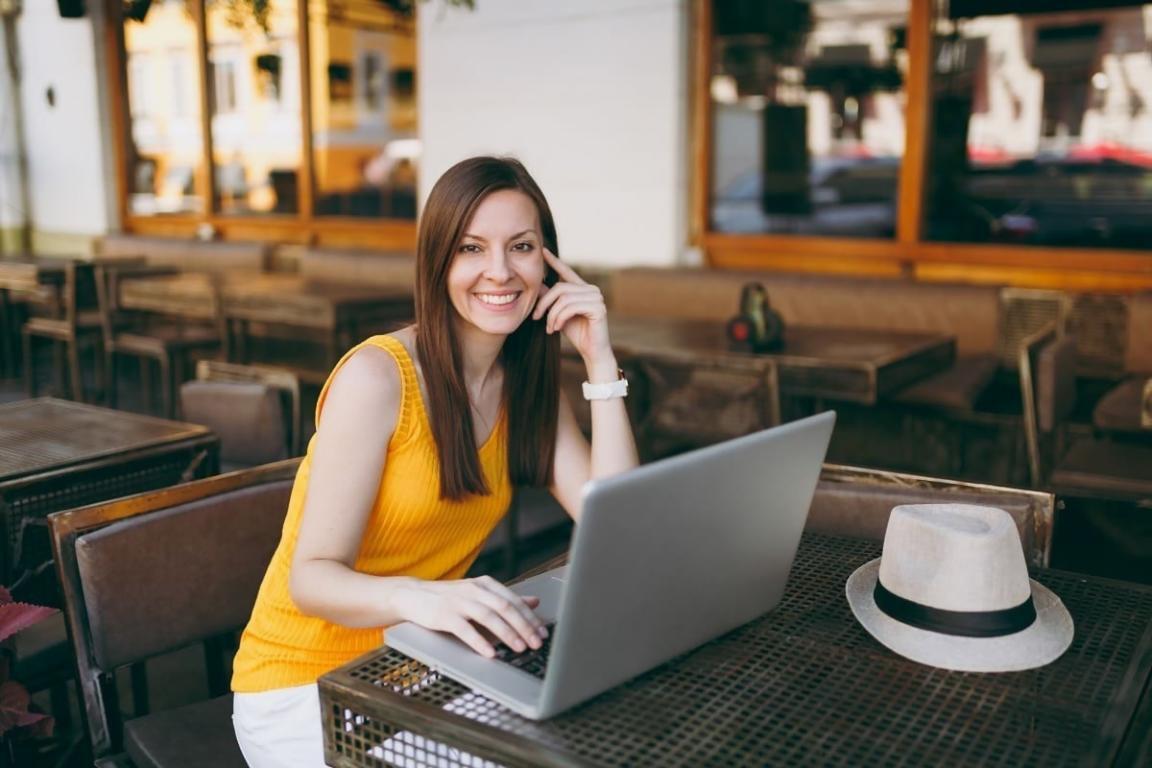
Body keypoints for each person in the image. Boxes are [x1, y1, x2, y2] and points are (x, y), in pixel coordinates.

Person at [231, 156, 639, 766]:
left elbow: (621, 527)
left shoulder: (526, 385)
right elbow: (311, 579)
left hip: (421, 664)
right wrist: (423, 598)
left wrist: (600, 363)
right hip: (303, 686)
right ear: (438, 262)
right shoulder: (378, 377)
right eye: (471, 248)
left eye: (521, 247)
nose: (499, 271)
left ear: (548, 263)